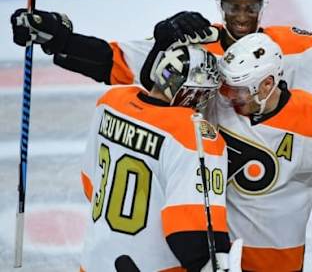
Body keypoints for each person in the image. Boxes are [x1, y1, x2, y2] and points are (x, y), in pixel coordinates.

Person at [10, 0, 312, 101]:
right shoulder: (195, 43)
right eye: (233, 5)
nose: (242, 15)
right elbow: (113, 61)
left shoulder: (298, 46)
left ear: (263, 5)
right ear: (221, 5)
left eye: (250, 6)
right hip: (201, 179)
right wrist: (59, 39)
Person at [78, 44, 238, 271]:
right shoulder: (195, 135)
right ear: (187, 92)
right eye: (202, 93)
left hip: (95, 259)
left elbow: (90, 184)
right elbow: (193, 237)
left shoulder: (110, 101)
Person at [208, 32, 312, 271]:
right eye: (227, 87)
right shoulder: (220, 100)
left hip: (278, 263)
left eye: (239, 90)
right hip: (215, 256)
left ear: (267, 84)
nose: (229, 97)